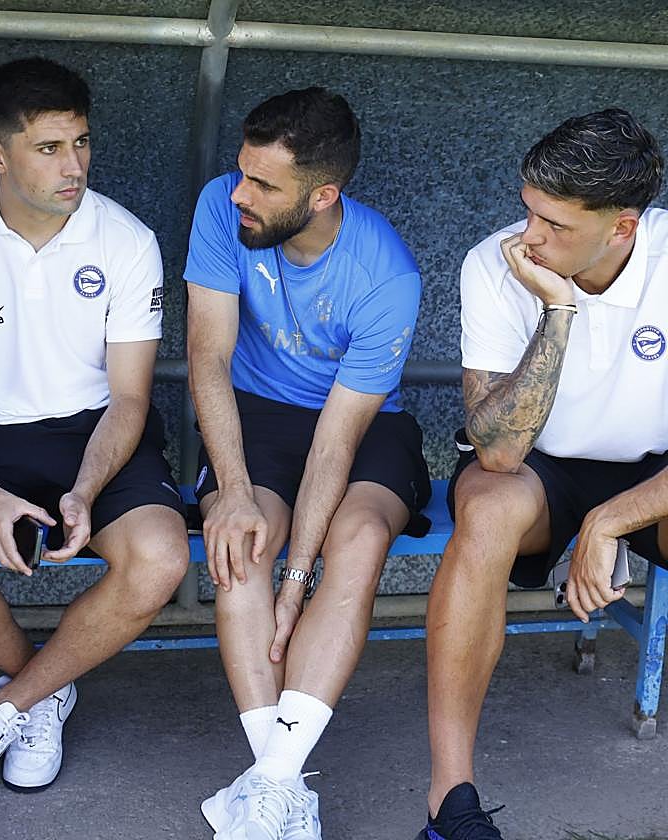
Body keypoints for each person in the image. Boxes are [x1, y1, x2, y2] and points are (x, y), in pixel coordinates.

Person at [0, 56, 189, 815]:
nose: (73, 166)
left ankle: (3, 710)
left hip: (96, 434)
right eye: (49, 149)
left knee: (160, 557)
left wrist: (85, 489)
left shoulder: (125, 239)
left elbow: (129, 397)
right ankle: (41, 694)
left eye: (81, 143)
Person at [185, 87, 431, 839]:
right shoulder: (222, 209)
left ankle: (268, 787)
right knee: (245, 541)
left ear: (323, 195)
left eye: (263, 184)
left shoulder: (387, 276)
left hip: (360, 425)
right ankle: (277, 788)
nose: (240, 194)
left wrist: (301, 580)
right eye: (241, 173)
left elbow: (335, 440)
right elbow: (207, 354)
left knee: (355, 544)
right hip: (253, 413)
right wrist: (231, 491)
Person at [420, 108, 667, 840]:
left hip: (652, 472)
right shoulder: (494, 263)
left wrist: (610, 520)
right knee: (488, 512)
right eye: (529, 211)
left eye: (555, 226)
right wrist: (558, 308)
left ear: (622, 227)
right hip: (536, 466)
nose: (530, 237)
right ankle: (449, 801)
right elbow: (496, 448)